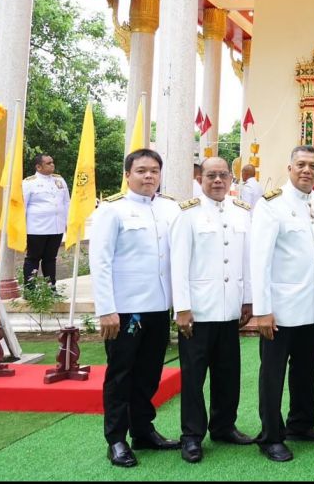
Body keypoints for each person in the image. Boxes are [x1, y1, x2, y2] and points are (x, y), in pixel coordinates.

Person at [89, 149, 182, 468]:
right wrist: (106, 309)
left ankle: (143, 430)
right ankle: (116, 439)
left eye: (154, 170)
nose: (148, 176)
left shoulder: (170, 208)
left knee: (149, 373)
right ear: (127, 174)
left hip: (159, 306)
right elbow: (100, 262)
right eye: (141, 170)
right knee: (121, 374)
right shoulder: (112, 210)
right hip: (126, 309)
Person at [250, 145, 314, 463]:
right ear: (289, 168)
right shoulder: (271, 205)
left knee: (305, 369)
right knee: (272, 374)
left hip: (311, 306)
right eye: (300, 164)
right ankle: (271, 436)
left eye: (313, 166)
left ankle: (301, 423)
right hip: (281, 309)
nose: (306, 171)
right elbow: (259, 260)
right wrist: (262, 310)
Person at [170, 157, 255, 464]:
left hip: (229, 309)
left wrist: (248, 299)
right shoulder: (187, 213)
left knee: (228, 373)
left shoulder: (241, 212)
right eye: (211, 175)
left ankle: (224, 426)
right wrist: (182, 308)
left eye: (223, 175)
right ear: (200, 179)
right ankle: (192, 436)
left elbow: (246, 259)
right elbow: (178, 264)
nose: (218, 180)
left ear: (231, 179)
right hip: (199, 311)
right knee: (194, 378)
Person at [22, 153, 70, 287]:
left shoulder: (59, 180)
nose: (52, 165)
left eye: (52, 162)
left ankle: (51, 288)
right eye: (48, 163)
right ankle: (30, 289)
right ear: (38, 167)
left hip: (56, 226)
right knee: (33, 258)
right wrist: (21, 227)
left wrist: (68, 222)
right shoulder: (29, 183)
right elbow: (22, 206)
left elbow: (66, 202)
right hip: (37, 228)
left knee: (50, 258)